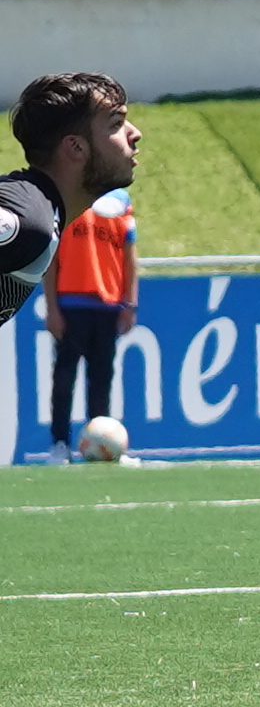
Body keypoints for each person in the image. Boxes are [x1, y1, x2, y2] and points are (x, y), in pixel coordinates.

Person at [8, 77, 141, 453]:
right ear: (76, 147)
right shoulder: (26, 222)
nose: (136, 134)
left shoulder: (43, 218)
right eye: (116, 124)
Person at [46, 177, 135, 457]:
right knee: (64, 378)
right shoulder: (66, 196)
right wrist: (52, 308)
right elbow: (51, 258)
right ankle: (60, 444)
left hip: (107, 305)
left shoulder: (120, 201)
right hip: (70, 302)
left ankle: (102, 444)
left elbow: (130, 255)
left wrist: (129, 304)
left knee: (101, 379)